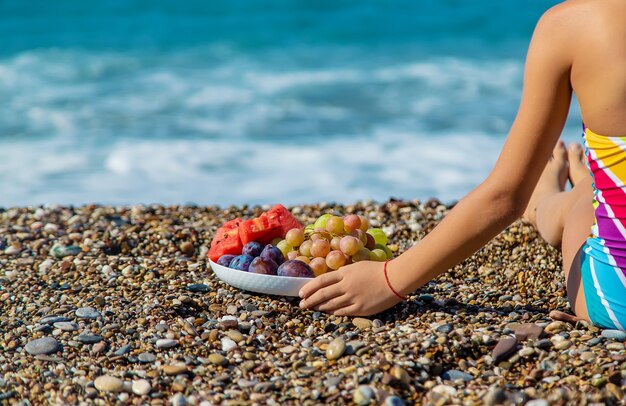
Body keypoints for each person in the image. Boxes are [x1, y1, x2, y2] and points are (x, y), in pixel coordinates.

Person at [298, 0, 626, 330]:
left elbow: (506, 197)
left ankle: (545, 202)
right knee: (598, 188)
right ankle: (592, 182)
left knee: (585, 198)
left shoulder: (572, 25)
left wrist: (389, 279)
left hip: (617, 299)